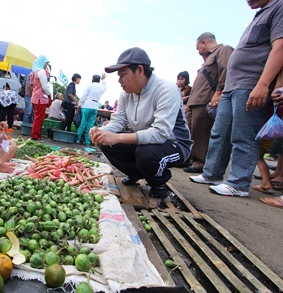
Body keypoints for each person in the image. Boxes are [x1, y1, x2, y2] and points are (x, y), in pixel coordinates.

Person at [190, 0, 283, 197]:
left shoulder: (279, 7)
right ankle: (212, 173)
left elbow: (280, 48)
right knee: (219, 132)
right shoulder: (260, 13)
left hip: (250, 83)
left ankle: (238, 183)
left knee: (243, 135)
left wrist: (263, 84)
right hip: (232, 86)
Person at [89, 47, 193, 199]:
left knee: (146, 154)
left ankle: (158, 182)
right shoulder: (126, 94)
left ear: (139, 70)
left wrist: (118, 137)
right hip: (145, 142)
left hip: (174, 144)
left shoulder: (166, 90)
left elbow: (160, 134)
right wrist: (100, 131)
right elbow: (118, 121)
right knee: (105, 142)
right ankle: (136, 173)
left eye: (123, 75)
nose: (119, 81)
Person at [184, 33, 234, 173]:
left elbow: (226, 70)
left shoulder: (223, 50)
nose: (198, 50)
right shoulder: (207, 59)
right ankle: (190, 159)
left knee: (202, 132)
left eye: (198, 47)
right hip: (196, 101)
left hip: (206, 99)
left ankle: (200, 162)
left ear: (204, 42)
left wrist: (219, 92)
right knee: (192, 131)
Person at [75, 74, 107, 145]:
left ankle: (78, 139)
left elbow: (84, 96)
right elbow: (105, 88)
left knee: (82, 123)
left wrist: (80, 104)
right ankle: (87, 141)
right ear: (99, 80)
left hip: (87, 105)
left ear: (92, 79)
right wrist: (103, 80)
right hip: (95, 106)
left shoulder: (89, 85)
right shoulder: (100, 87)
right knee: (90, 125)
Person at [30, 55, 51, 140]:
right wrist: (49, 94)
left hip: (35, 97)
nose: (46, 65)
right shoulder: (41, 72)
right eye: (46, 63)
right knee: (39, 118)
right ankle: (35, 136)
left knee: (37, 117)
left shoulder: (35, 71)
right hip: (40, 98)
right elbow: (45, 87)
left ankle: (37, 135)